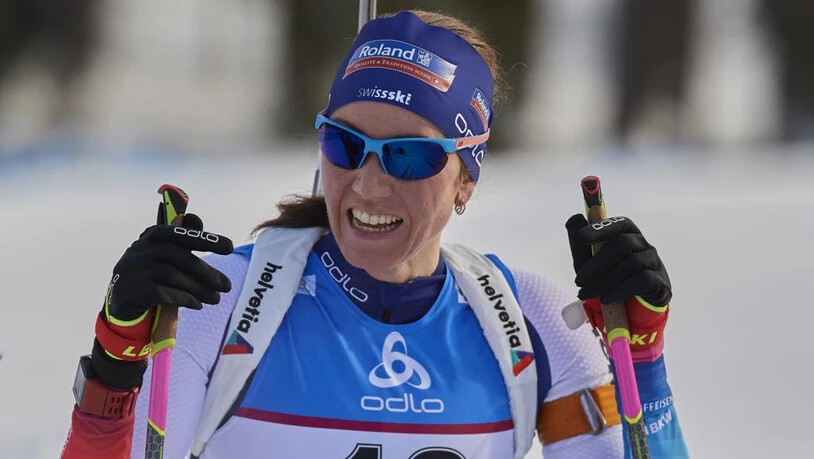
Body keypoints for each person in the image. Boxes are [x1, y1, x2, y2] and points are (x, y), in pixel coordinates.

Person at [62, 10, 688, 459]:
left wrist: (642, 363)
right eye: (344, 143)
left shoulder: (534, 323)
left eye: (408, 156)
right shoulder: (219, 301)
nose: (366, 184)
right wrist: (115, 364)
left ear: (466, 179)